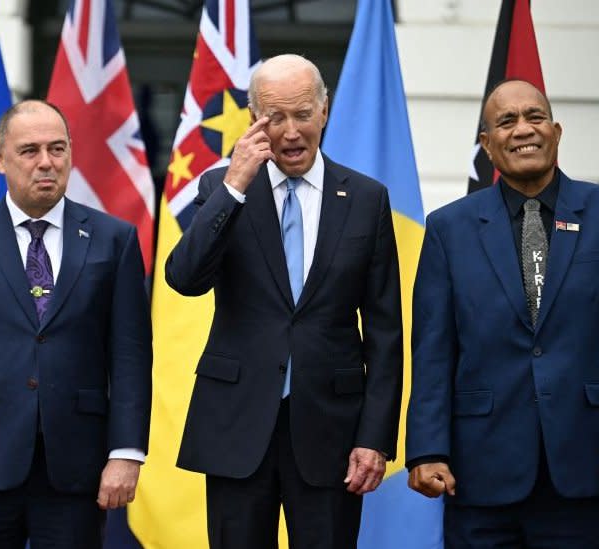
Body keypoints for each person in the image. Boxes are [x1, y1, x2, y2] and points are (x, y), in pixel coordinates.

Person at [165, 54, 403, 549]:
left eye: (301, 114)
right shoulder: (222, 187)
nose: (290, 132)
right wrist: (235, 184)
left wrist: (375, 437)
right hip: (237, 424)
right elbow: (184, 279)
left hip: (331, 431)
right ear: (254, 119)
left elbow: (385, 332)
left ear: (324, 111)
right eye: (274, 117)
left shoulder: (364, 198)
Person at [406, 79, 599, 548]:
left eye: (535, 117)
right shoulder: (449, 228)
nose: (523, 129)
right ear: (487, 145)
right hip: (478, 471)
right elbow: (433, 351)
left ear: (556, 131)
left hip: (583, 464)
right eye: (506, 121)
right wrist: (428, 449)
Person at [0, 99, 152, 549]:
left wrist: (126, 453)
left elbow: (130, 357)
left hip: (76, 469)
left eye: (57, 149)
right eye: (29, 151)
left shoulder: (113, 239)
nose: (46, 162)